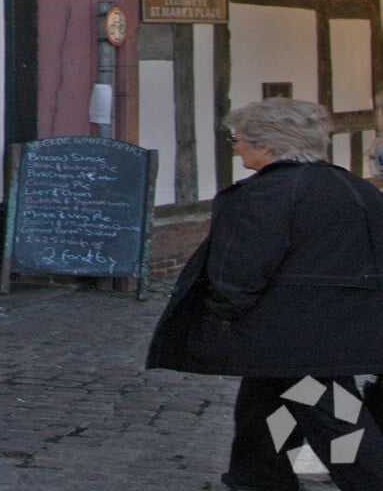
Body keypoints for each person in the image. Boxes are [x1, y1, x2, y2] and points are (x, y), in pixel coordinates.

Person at [148, 97, 383, 489]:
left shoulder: (267, 193)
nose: (236, 146)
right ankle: (258, 477)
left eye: (238, 139)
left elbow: (239, 267)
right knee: (265, 406)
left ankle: (369, 479)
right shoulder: (355, 186)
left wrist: (222, 316)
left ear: (267, 146)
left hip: (290, 335)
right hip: (336, 329)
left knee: (333, 417)